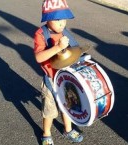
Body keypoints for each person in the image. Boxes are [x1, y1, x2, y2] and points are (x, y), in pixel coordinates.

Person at [34, 0, 83, 144]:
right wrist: (57, 48)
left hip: (65, 79)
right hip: (50, 79)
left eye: (64, 19)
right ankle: (46, 133)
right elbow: (38, 57)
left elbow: (75, 50)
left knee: (67, 106)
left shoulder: (65, 32)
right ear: (47, 19)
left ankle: (67, 130)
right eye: (57, 19)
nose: (62, 23)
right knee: (50, 111)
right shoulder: (41, 34)